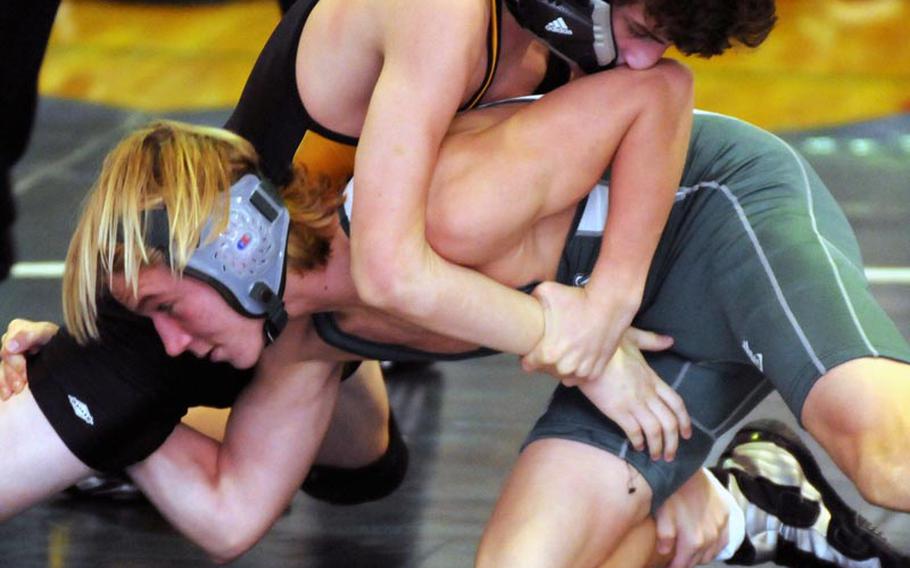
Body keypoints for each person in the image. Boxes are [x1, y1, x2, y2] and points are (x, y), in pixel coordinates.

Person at [4, 83, 909, 566]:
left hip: (713, 220)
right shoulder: (312, 343)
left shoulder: (435, 212)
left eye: (164, 307)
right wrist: (90, 411)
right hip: (640, 360)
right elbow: (229, 516)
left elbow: (656, 97)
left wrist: (606, 305)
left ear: (231, 245)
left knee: (885, 457)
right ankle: (753, 505)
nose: (168, 347)